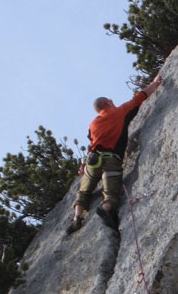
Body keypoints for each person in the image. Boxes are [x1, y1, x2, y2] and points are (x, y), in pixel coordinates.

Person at [68, 73, 163, 233]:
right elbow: (139, 98)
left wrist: (83, 165)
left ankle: (77, 217)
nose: (113, 102)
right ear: (107, 103)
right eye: (111, 100)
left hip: (92, 160)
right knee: (111, 193)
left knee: (84, 191)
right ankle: (106, 209)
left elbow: (92, 145)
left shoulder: (93, 124)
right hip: (111, 159)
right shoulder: (118, 112)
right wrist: (154, 84)